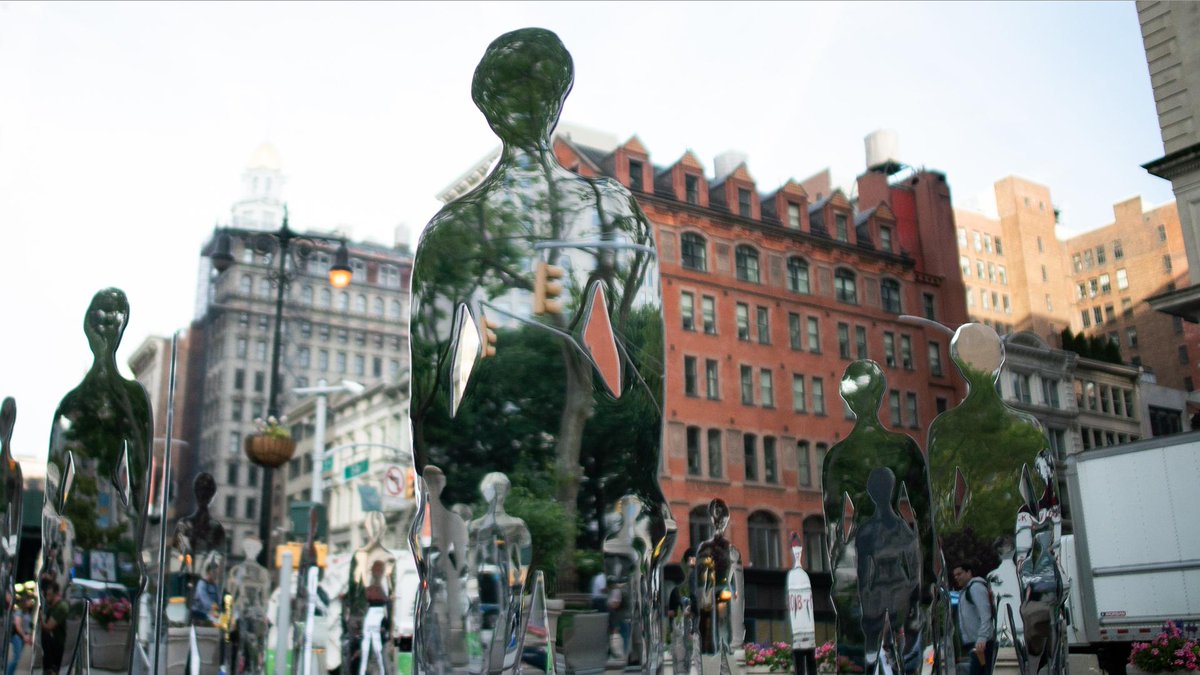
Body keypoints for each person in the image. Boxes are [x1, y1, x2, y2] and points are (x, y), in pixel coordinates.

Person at [953, 561, 995, 675]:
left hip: (982, 644)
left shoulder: (975, 588)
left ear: (969, 572)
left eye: (959, 574)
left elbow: (985, 614)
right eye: (955, 575)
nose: (957, 578)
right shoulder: (966, 591)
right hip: (977, 643)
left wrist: (982, 637)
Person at [39, 578, 69, 675]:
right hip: (58, 644)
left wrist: (40, 618)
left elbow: (48, 627)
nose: (47, 597)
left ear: (55, 594)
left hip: (60, 646)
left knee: (45, 637)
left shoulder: (61, 607)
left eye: (48, 595)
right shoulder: (54, 606)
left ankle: (50, 670)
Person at [7, 594, 32, 675]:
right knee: (16, 658)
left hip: (23, 637)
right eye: (29, 600)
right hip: (17, 636)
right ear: (25, 602)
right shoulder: (19, 612)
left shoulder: (28, 612)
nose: (31, 602)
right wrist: (24, 636)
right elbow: (18, 625)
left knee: (17, 658)